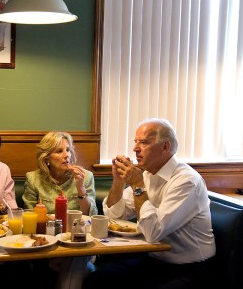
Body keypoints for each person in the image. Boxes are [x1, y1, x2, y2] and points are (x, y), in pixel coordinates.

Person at [84, 118, 216, 289]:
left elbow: (153, 233)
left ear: (165, 147)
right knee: (99, 279)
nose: (135, 148)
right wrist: (118, 182)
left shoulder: (187, 181)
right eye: (135, 142)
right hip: (155, 260)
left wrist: (138, 185)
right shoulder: (147, 174)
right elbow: (114, 217)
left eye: (144, 142)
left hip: (191, 268)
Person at [22, 131, 98, 289]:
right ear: (46, 158)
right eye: (59, 151)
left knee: (77, 254)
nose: (66, 155)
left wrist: (80, 187)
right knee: (82, 265)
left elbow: (91, 216)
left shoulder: (86, 176)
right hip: (47, 243)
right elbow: (28, 216)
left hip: (79, 240)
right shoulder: (33, 179)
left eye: (68, 150)